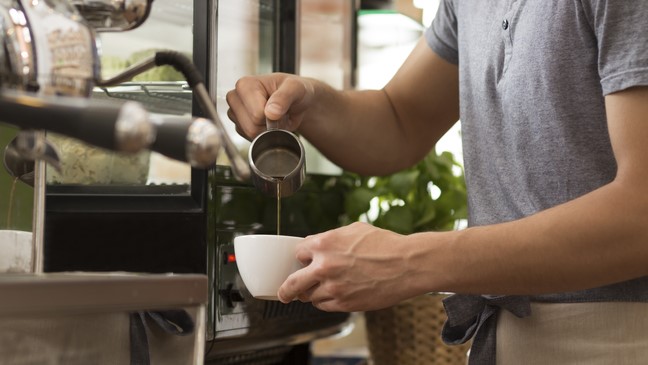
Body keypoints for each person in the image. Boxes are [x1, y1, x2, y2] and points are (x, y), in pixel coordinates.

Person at [226, 1, 648, 363]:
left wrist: (409, 261)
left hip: (619, 336)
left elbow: (641, 215)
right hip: (509, 334)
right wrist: (311, 101)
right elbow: (400, 120)